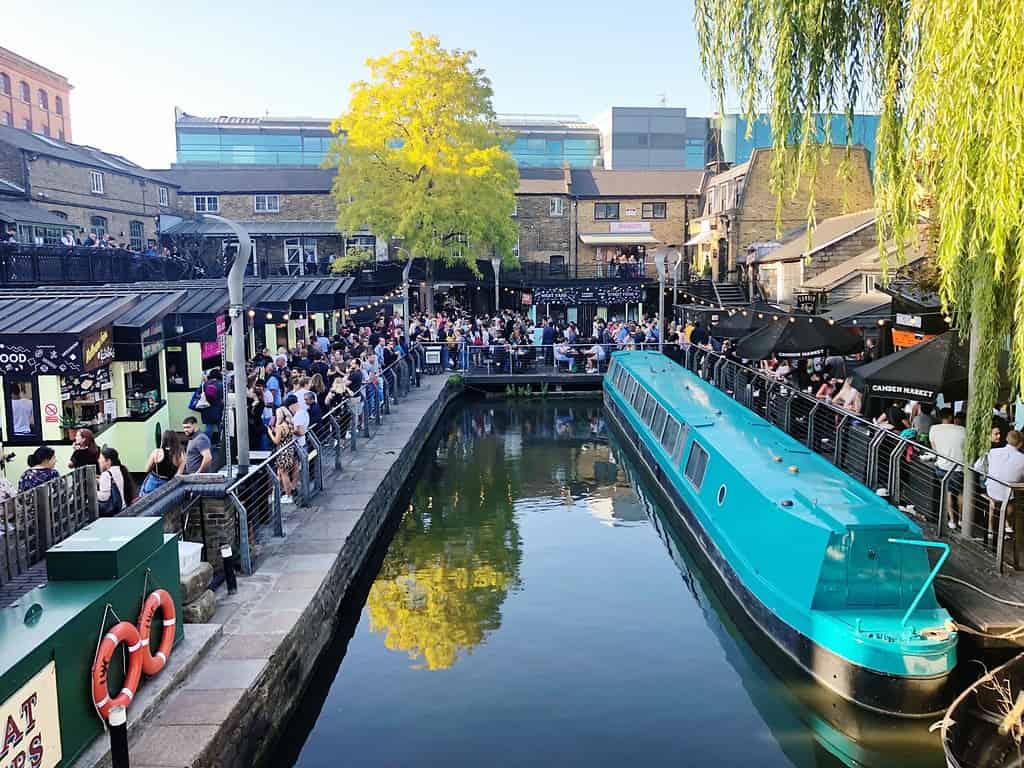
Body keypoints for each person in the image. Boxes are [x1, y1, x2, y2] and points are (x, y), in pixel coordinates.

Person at [976, 430, 1024, 563]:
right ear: (1020, 444)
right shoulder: (1022, 459)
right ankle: (1007, 526)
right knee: (1012, 500)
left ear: (1007, 440)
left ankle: (993, 531)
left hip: (991, 492)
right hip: (1008, 496)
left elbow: (977, 467)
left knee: (994, 500)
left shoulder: (992, 452)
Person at [929, 408, 966, 529]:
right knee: (960, 493)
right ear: (951, 417)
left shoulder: (934, 429)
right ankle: (961, 520)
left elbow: (934, 448)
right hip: (959, 467)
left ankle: (952, 521)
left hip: (942, 466)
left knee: (948, 493)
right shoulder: (963, 430)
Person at [140, 430, 184, 496]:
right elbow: (178, 475)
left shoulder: (157, 452)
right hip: (167, 483)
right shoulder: (181, 455)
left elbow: (146, 469)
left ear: (163, 440)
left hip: (153, 481)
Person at [268, 406, 298, 504]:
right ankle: (277, 493)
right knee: (280, 473)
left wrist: (270, 433)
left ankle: (288, 495)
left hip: (282, 452)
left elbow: (276, 441)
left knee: (284, 474)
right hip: (289, 451)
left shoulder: (280, 427)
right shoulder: (289, 425)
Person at [97, 447, 136, 514]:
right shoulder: (121, 469)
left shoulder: (106, 474)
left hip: (114, 511)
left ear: (108, 461)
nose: (98, 460)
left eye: (101, 458)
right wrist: (100, 480)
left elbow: (104, 497)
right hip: (124, 507)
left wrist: (92, 493)